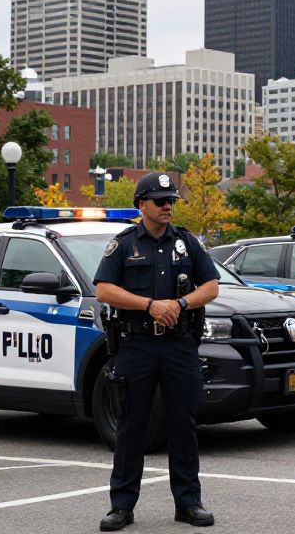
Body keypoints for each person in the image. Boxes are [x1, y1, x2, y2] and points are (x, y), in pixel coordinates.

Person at [94, 172, 219, 531]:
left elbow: (211, 287)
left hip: (179, 343)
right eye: (160, 200)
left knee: (183, 424)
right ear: (141, 205)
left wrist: (181, 302)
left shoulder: (186, 242)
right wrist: (149, 305)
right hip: (138, 344)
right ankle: (121, 506)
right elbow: (104, 290)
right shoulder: (124, 244)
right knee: (132, 425)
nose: (168, 206)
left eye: (171, 201)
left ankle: (188, 503)